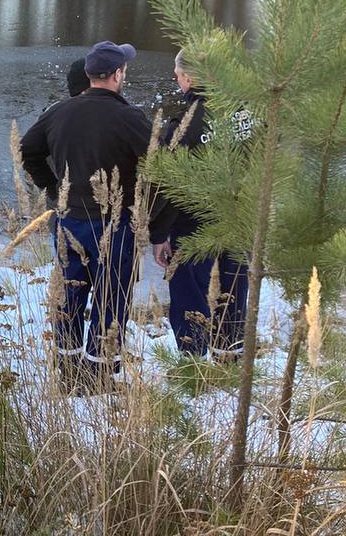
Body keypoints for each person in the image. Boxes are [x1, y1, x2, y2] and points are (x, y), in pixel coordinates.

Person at [21, 40, 152, 390]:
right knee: (111, 298)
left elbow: (28, 150)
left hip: (68, 220)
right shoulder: (129, 117)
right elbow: (162, 164)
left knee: (69, 294)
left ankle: (68, 373)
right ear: (116, 74)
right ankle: (99, 377)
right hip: (114, 222)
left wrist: (55, 190)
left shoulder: (59, 112)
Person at [150, 50, 248, 359]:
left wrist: (159, 233)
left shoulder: (188, 121)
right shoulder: (244, 113)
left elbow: (166, 179)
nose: (176, 81)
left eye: (178, 76)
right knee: (233, 288)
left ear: (189, 78)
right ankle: (229, 353)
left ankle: (193, 357)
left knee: (188, 286)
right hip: (239, 214)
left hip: (195, 218)